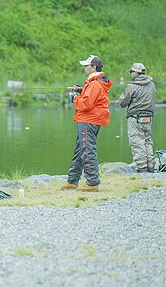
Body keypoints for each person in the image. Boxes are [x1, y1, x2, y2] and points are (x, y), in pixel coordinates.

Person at [61, 55, 113, 192]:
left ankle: (92, 183)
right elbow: (90, 95)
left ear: (94, 67)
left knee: (88, 150)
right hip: (88, 119)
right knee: (80, 150)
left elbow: (86, 104)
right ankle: (72, 181)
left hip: (89, 119)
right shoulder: (94, 82)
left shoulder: (95, 83)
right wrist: (80, 90)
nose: (84, 68)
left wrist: (74, 98)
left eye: (86, 66)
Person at [118, 63, 157, 172]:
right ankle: (151, 166)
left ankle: (141, 168)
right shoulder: (152, 85)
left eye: (131, 72)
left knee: (137, 142)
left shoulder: (131, 86)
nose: (130, 74)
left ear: (135, 73)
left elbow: (122, 102)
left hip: (135, 118)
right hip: (148, 117)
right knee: (148, 141)